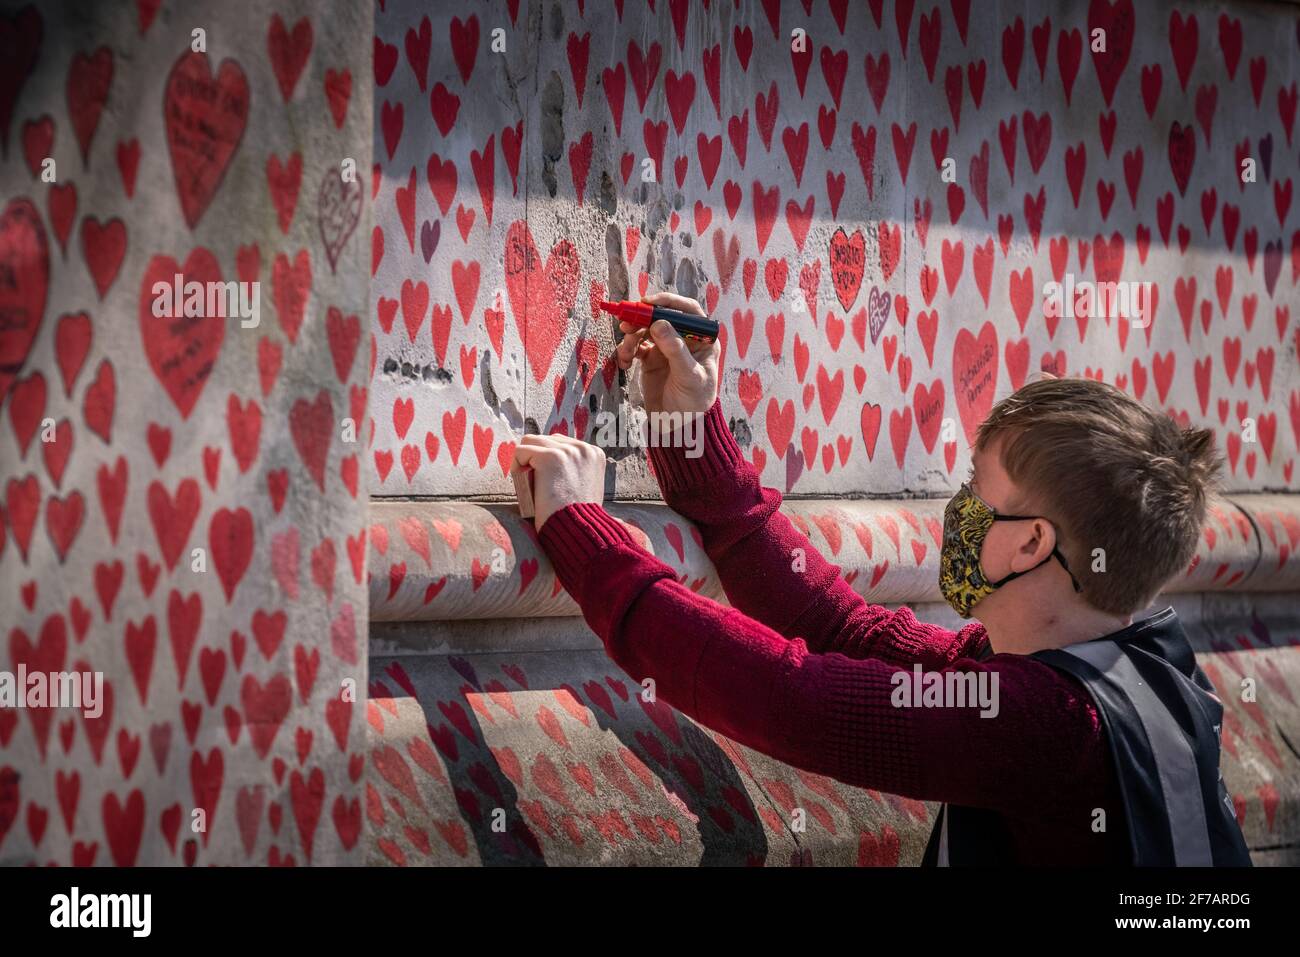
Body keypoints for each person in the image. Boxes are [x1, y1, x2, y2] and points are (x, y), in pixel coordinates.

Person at [512, 291, 1251, 866]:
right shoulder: (1129, 678)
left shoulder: (1050, 725)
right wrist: (689, 433)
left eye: (976, 494)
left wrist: (585, 533)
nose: (957, 512)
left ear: (1030, 543)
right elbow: (843, 632)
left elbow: (795, 700)